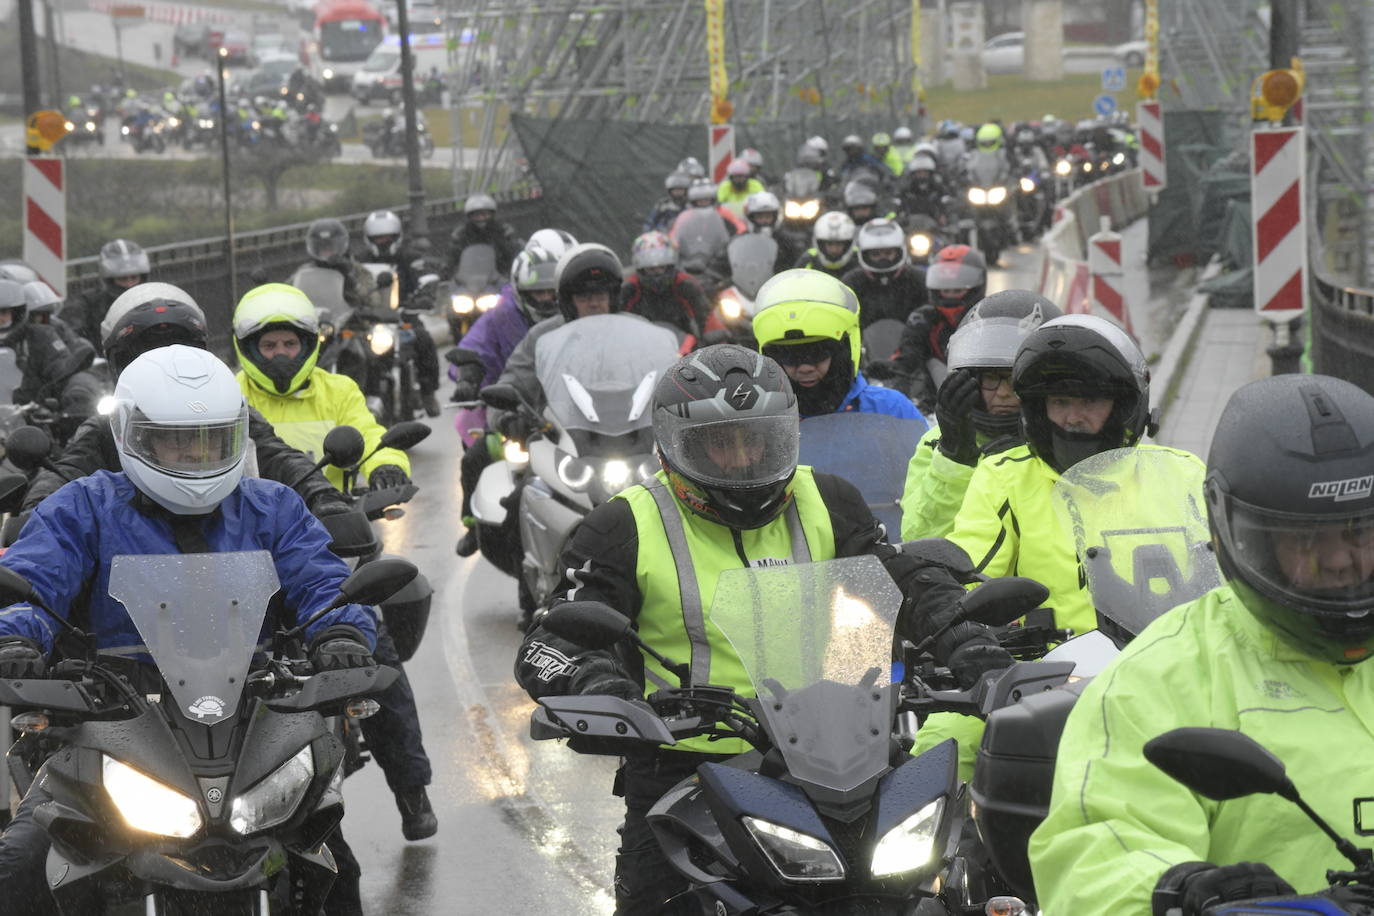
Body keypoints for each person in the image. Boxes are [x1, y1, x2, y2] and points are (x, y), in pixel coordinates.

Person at [513, 343, 1012, 915]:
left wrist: (969, 639)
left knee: (953, 887)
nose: (743, 458)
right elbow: (550, 642)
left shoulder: (829, 500)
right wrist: (602, 689)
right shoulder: (624, 525)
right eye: (720, 444)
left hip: (846, 762)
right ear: (675, 445)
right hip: (691, 770)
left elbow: (902, 577)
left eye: (757, 439)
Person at [0, 346, 380, 916]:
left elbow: (322, 582)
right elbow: (34, 577)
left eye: (210, 438)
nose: (195, 453)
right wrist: (15, 639)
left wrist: (341, 636)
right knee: (21, 864)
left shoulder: (273, 507)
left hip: (250, 720)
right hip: (114, 719)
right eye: (175, 439)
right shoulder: (84, 506)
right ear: (131, 435)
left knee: (328, 866)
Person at [1028, 373, 1374, 916]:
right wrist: (1181, 889)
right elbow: (1097, 851)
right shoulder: (1160, 678)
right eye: (1306, 539)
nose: (1338, 560)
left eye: (1359, 532)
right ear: (1234, 535)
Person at [229, 283, 439, 843]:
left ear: (308, 345)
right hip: (247, 556)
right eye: (268, 345)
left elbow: (373, 440)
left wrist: (386, 469)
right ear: (248, 347)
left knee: (376, 663)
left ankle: (411, 790)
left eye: (288, 344)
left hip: (333, 554)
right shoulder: (228, 396)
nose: (279, 355)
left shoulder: (338, 390)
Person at [946, 314, 1195, 639]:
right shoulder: (1005, 477)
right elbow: (970, 570)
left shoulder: (1182, 472)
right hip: (1053, 679)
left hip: (1171, 663)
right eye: (1060, 402)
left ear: (1123, 407)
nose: (1073, 417)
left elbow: (1229, 574)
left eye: (1090, 401)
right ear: (1037, 409)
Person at [20, 282, 347, 519]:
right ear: (121, 362)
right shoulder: (112, 422)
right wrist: (35, 511)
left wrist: (324, 497)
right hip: (129, 558)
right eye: (148, 354)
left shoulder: (228, 412)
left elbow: (280, 456)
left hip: (233, 550)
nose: (166, 363)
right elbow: (67, 471)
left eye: (179, 351)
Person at [451, 229, 579, 558]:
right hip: (520, 413)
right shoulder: (501, 316)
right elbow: (474, 347)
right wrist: (468, 375)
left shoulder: (594, 316)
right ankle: (473, 525)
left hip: (585, 416)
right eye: (539, 293)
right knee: (478, 455)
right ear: (522, 290)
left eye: (555, 292)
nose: (548, 300)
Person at [899, 290, 1062, 541]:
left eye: (1016, 380)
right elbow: (919, 539)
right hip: (971, 579)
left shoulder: (1067, 437)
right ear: (971, 380)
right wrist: (955, 457)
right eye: (992, 378)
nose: (1005, 394)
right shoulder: (936, 444)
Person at [752, 269, 924, 421]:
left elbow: (926, 456)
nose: (805, 367)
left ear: (842, 352)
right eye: (790, 356)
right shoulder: (762, 419)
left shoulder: (889, 409)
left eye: (816, 353)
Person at [361, 209, 442, 417]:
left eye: (387, 237)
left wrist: (424, 296)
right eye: (377, 238)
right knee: (349, 347)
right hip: (369, 320)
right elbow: (349, 285)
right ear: (368, 239)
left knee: (424, 340)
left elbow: (426, 277)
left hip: (404, 317)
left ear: (397, 236)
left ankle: (427, 392)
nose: (383, 241)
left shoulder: (410, 257)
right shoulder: (359, 262)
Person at [889, 244, 988, 413]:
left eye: (957, 290)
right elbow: (907, 356)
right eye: (945, 289)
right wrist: (895, 378)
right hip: (932, 405)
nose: (950, 294)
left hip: (983, 407)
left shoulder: (989, 316)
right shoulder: (923, 318)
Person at [840, 217, 927, 329]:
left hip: (911, 343)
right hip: (861, 344)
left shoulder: (918, 279)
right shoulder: (852, 282)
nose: (883, 259)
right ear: (865, 254)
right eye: (876, 254)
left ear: (899, 251)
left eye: (888, 253)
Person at [620, 230, 706, 338]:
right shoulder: (630, 289)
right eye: (651, 269)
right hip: (639, 345)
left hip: (683, 349)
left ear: (669, 265)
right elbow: (617, 321)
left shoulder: (685, 284)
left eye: (661, 267)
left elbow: (706, 317)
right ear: (641, 268)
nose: (657, 273)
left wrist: (711, 336)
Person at [74, 238, 149, 351]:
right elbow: (73, 334)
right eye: (123, 279)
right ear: (110, 280)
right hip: (105, 363)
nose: (129, 284)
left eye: (134, 278)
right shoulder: (89, 303)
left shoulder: (153, 297)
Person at [445, 193, 524, 279]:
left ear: (492, 214)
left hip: (500, 280)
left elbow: (515, 255)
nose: (481, 218)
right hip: (468, 284)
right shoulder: (461, 235)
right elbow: (451, 259)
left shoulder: (503, 232)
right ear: (469, 216)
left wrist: (516, 272)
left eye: (485, 214)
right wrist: (445, 275)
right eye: (476, 215)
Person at [741, 190, 801, 272]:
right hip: (749, 282)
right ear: (751, 218)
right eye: (759, 217)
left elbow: (797, 263)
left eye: (768, 216)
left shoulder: (785, 240)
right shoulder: (743, 240)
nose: (764, 220)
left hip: (778, 282)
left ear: (775, 217)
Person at [793, 210, 858, 279]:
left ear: (848, 244)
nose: (834, 250)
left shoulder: (859, 259)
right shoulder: (808, 259)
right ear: (820, 244)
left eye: (839, 244)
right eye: (829, 244)